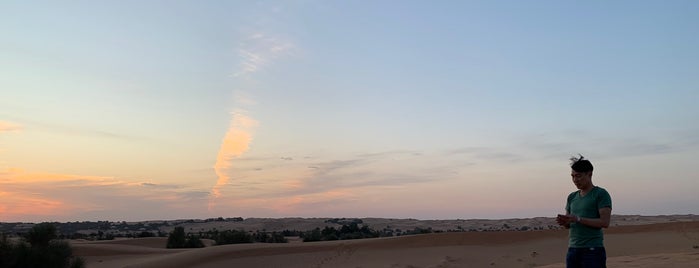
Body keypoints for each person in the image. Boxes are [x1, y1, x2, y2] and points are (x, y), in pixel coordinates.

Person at [556, 155, 612, 268]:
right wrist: (565, 222)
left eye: (578, 176)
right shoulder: (571, 197)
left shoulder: (600, 194)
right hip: (573, 249)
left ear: (589, 174)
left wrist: (578, 219)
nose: (575, 180)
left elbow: (604, 222)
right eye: (573, 176)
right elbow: (568, 224)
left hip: (592, 250)